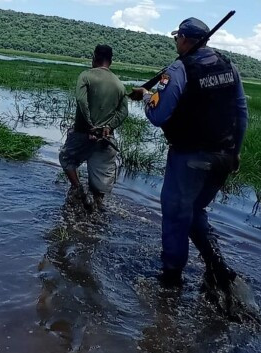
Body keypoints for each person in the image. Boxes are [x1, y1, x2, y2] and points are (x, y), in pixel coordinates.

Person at [132, 18, 248, 288]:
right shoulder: (229, 66)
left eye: (176, 38)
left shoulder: (177, 69)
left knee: (175, 215)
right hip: (224, 157)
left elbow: (159, 115)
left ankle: (171, 281)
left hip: (189, 158)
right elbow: (241, 113)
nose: (175, 42)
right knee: (196, 211)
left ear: (184, 38)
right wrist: (236, 152)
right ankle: (217, 268)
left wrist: (146, 96)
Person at [59, 45, 129, 210]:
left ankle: (78, 190)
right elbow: (123, 112)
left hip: (84, 133)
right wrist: (107, 126)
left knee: (66, 158)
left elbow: (81, 101)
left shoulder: (86, 76)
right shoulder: (119, 85)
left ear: (94, 58)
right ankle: (95, 209)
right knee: (100, 182)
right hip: (105, 137)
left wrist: (91, 125)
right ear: (110, 61)